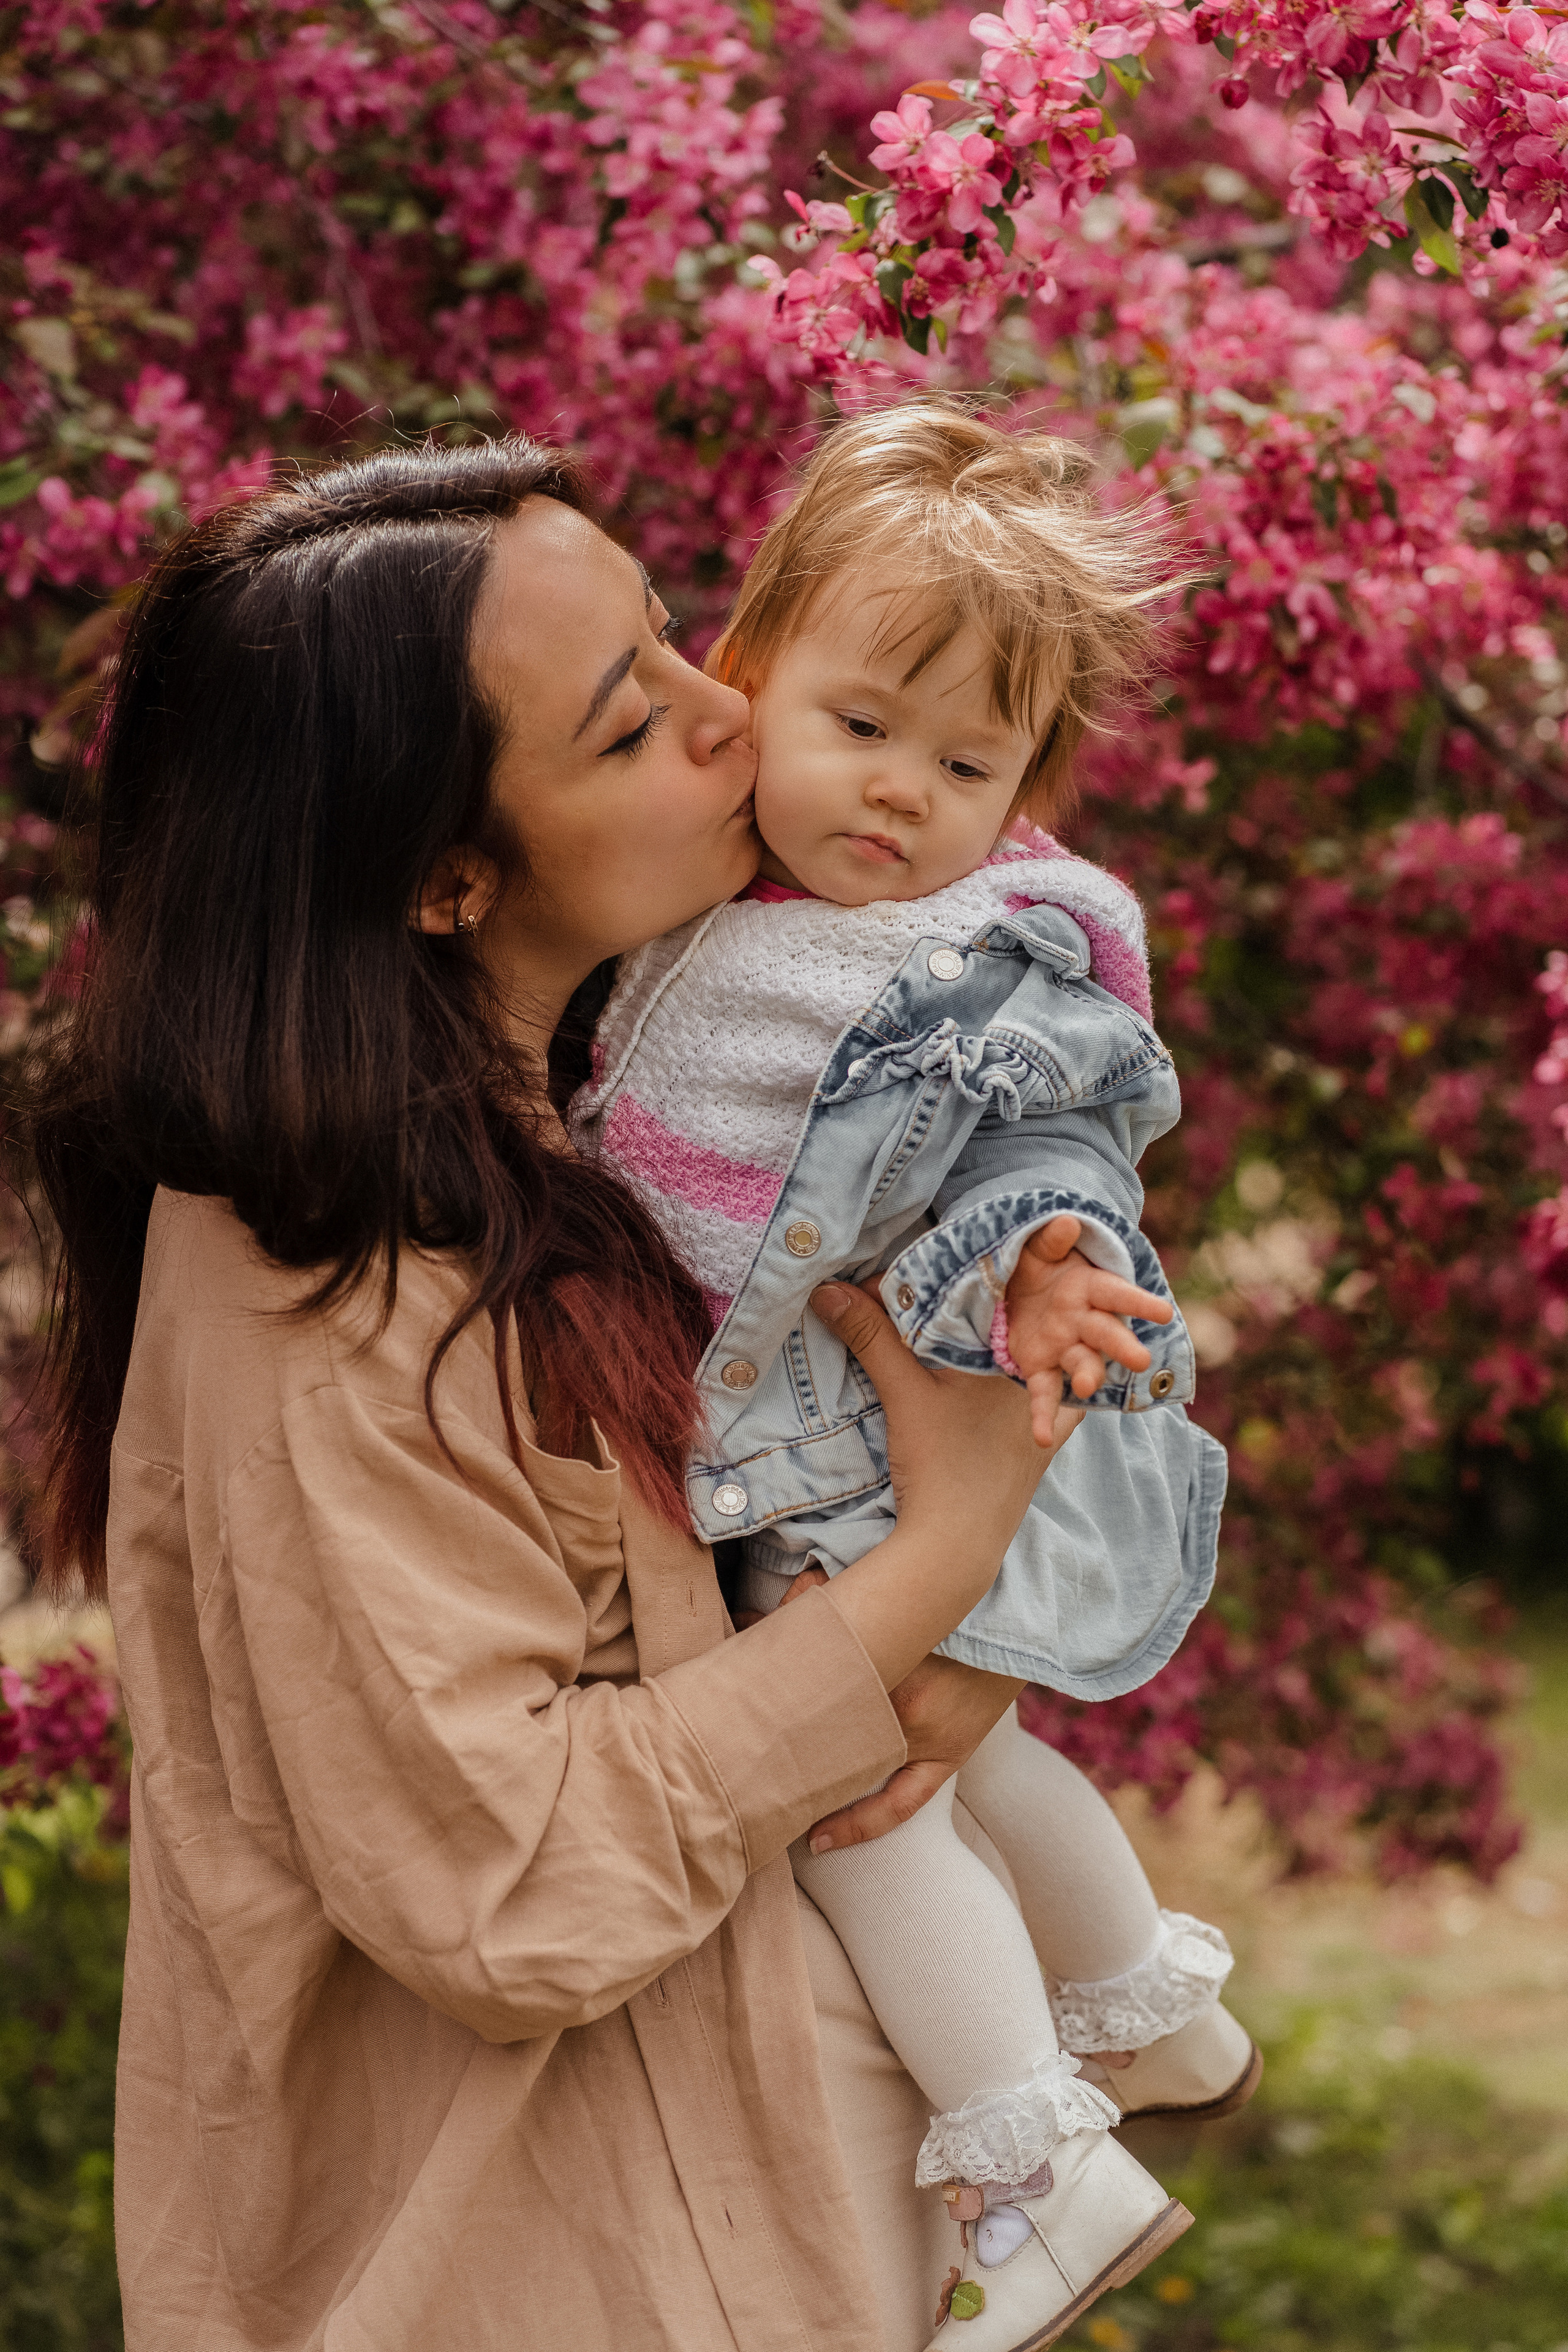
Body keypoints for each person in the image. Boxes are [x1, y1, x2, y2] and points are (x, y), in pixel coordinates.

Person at [25, 437, 1090, 2352]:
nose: (728, 710)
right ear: (445, 876)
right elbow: (513, 1887)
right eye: (628, 725)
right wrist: (945, 1562)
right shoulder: (318, 1263)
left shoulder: (602, 1118)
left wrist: (956, 1608)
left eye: (681, 641)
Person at [571, 403, 1254, 2349]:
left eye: (968, 764)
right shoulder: (718, 901)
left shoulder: (974, 960)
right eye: (863, 727)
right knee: (980, 1763)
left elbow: (1049, 1155)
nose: (899, 796)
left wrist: (1039, 1267)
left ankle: (1034, 2173)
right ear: (752, 678)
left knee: (856, 1814)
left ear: (1027, 790)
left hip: (835, 1462)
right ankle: (1155, 2004)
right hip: (790, 1444)